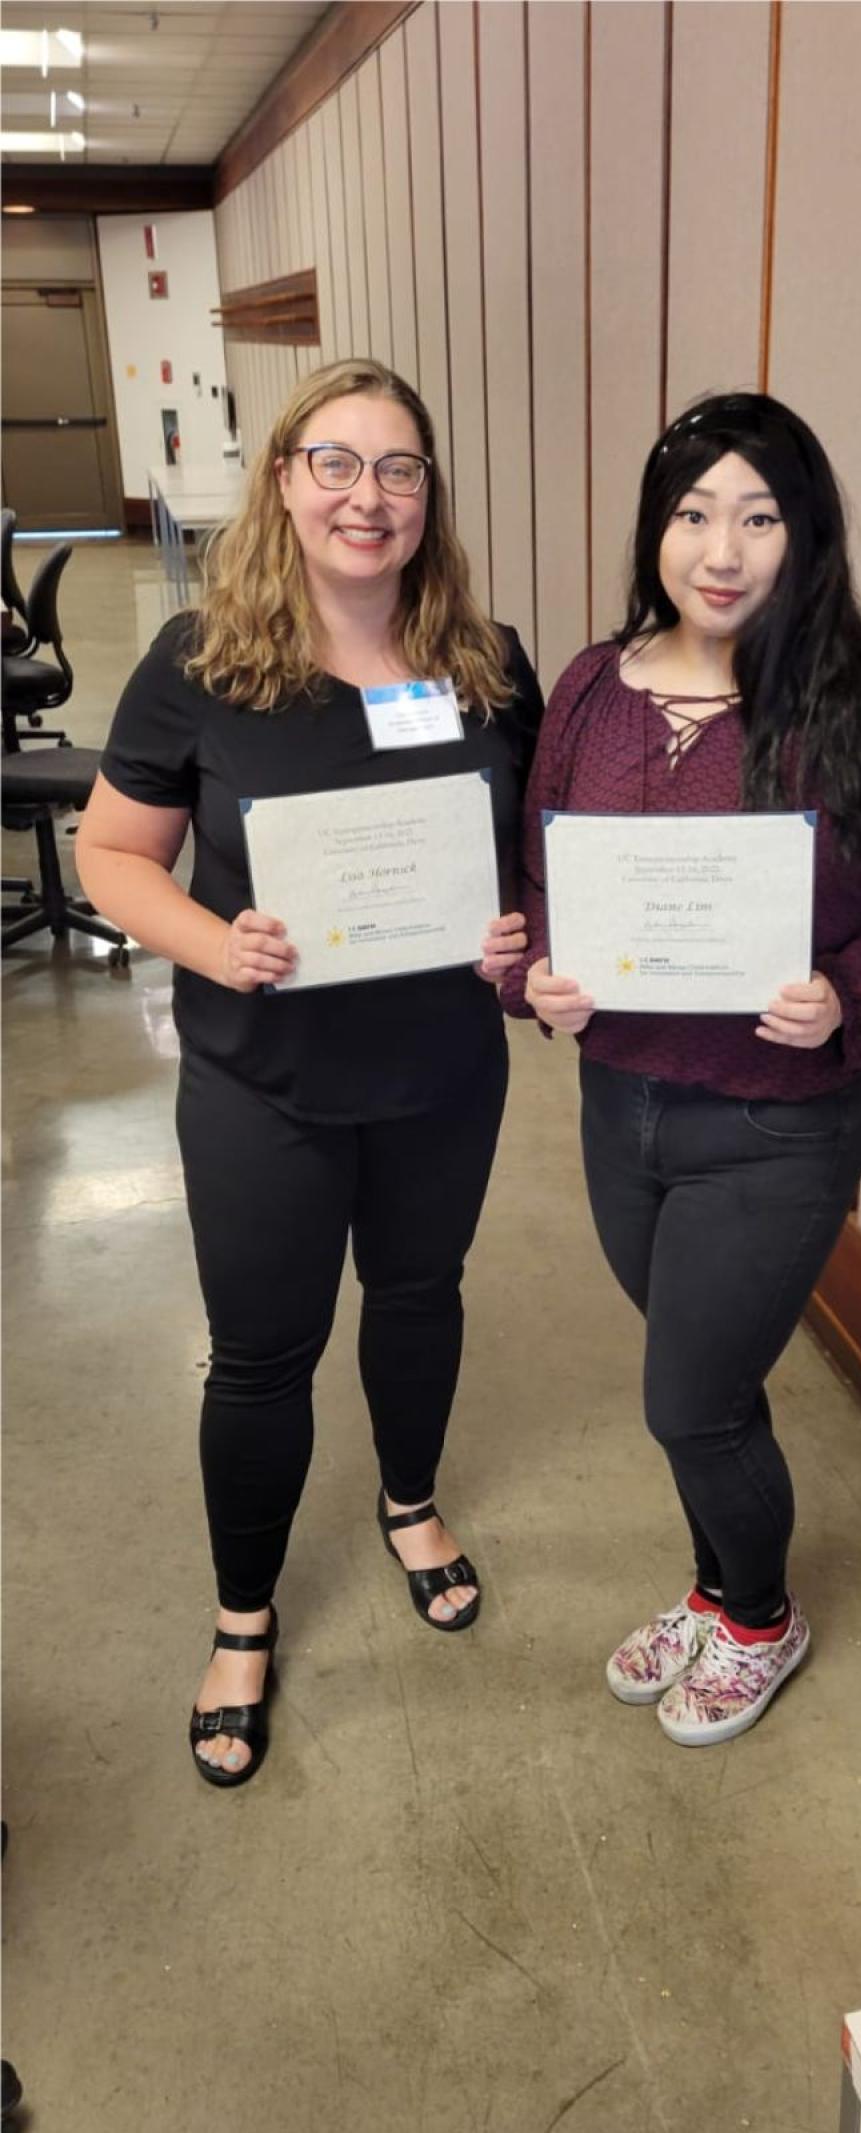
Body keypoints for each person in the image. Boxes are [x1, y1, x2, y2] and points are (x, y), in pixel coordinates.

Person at [77, 358, 543, 1787]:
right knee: (263, 1354)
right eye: (334, 462)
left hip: (441, 1074)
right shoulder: (200, 661)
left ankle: (410, 1501)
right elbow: (110, 856)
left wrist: (525, 938)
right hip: (260, 1080)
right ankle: (242, 1617)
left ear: (429, 501)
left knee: (418, 1297)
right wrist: (220, 945)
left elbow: (522, 855)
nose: (367, 495)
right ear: (283, 480)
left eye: (398, 468)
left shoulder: (489, 666)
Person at [501, 391, 861, 1747]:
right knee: (708, 1378)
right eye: (695, 512)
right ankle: (714, 1586)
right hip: (618, 1099)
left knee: (687, 1396)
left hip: (777, 1121)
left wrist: (849, 997)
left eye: (759, 515)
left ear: (804, 532)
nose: (722, 547)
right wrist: (544, 973)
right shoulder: (592, 683)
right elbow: (545, 867)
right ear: (658, 527)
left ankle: (758, 1614)